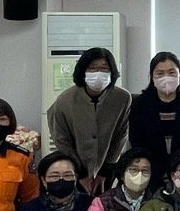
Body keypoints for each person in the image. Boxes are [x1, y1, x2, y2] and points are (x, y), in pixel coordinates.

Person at [47, 47, 132, 195]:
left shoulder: (122, 98)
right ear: (83, 71)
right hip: (75, 167)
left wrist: (104, 172)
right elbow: (61, 140)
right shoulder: (64, 100)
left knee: (103, 202)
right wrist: (81, 173)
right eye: (92, 68)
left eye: (104, 68)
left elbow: (121, 135)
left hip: (107, 166)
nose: (98, 73)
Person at [128, 51, 180, 190]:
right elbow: (137, 143)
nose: (166, 78)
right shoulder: (139, 103)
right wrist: (160, 171)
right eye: (160, 73)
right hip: (151, 172)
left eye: (171, 72)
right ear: (152, 77)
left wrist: (179, 169)